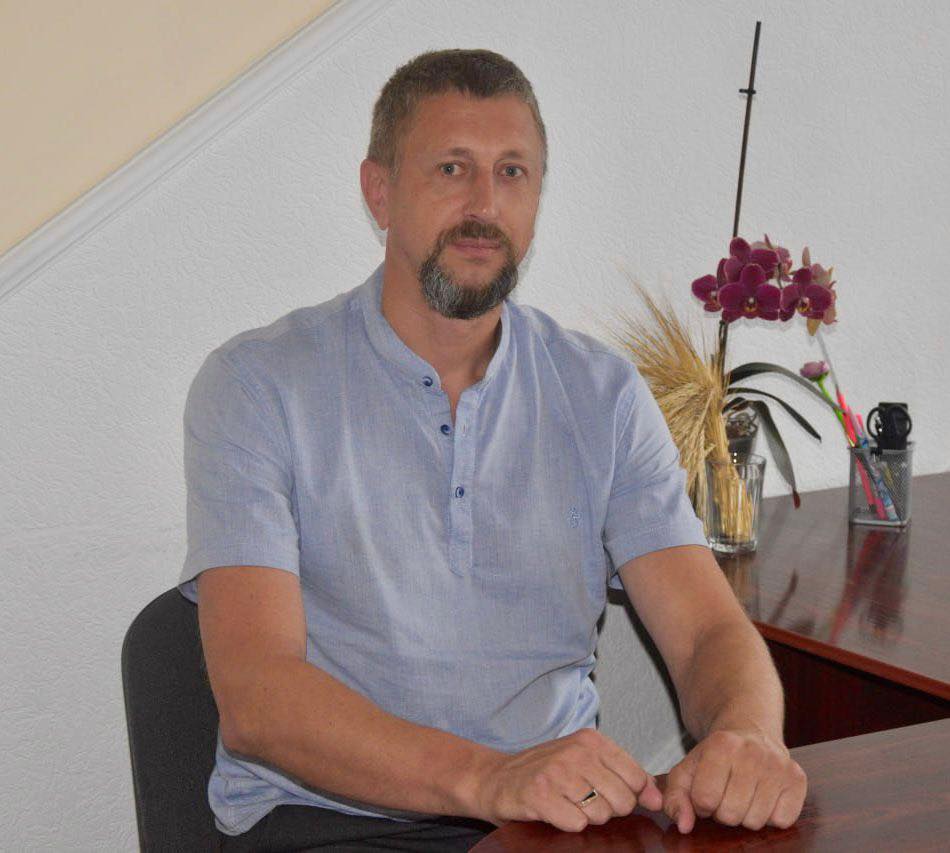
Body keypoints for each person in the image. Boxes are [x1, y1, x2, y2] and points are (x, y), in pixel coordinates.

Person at [178, 48, 807, 852]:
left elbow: (708, 632)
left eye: (513, 172)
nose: (485, 204)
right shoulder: (257, 385)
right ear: (379, 190)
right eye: (452, 168)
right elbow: (258, 697)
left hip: (548, 821)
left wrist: (748, 733)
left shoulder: (602, 393)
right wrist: (488, 776)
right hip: (328, 823)